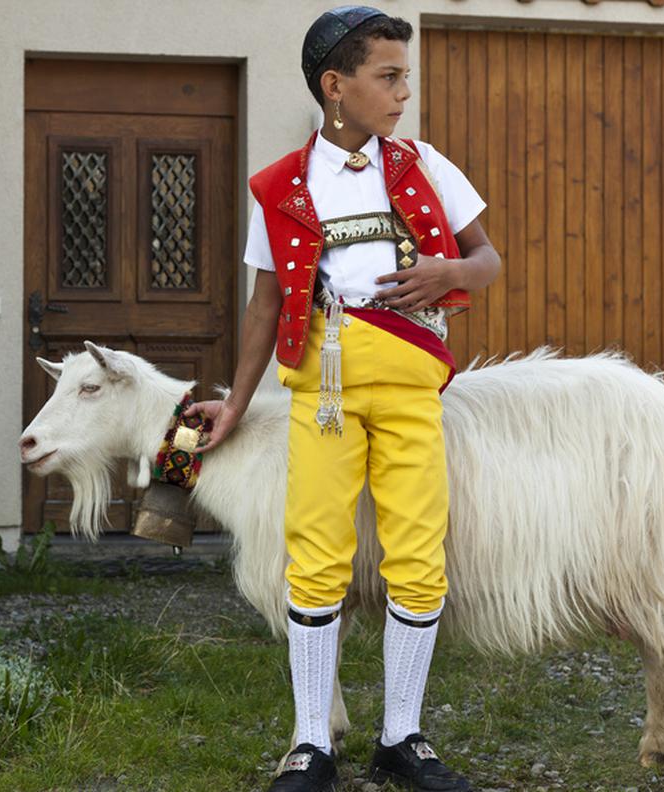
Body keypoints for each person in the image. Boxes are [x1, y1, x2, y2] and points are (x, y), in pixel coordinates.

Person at [185, 6, 501, 791]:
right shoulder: (282, 185)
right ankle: (310, 743)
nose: (403, 93)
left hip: (411, 387)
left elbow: (488, 259)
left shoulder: (425, 163)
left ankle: (402, 735)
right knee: (316, 555)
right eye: (388, 76)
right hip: (320, 390)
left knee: (418, 555)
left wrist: (450, 275)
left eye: (405, 77)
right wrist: (233, 404)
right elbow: (265, 306)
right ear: (336, 85)